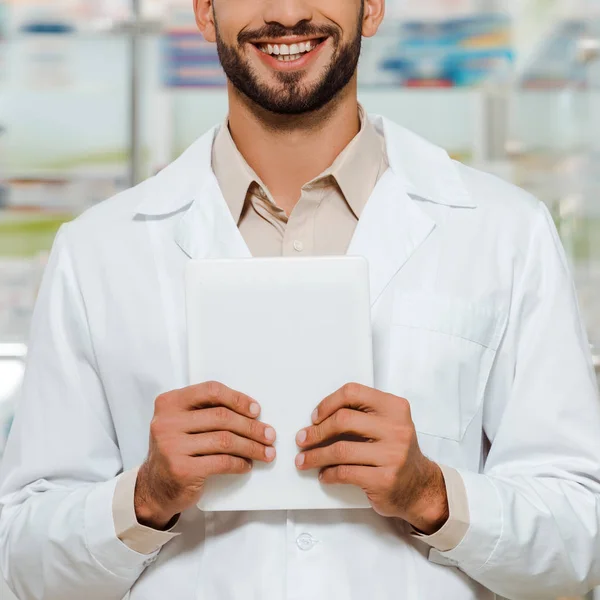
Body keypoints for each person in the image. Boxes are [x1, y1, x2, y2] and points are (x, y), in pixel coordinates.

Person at [1, 0, 599, 598]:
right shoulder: (99, 250)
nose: (287, 13)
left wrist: (431, 494)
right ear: (206, 12)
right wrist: (145, 497)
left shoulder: (504, 232)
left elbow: (582, 543)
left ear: (373, 8)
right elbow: (22, 559)